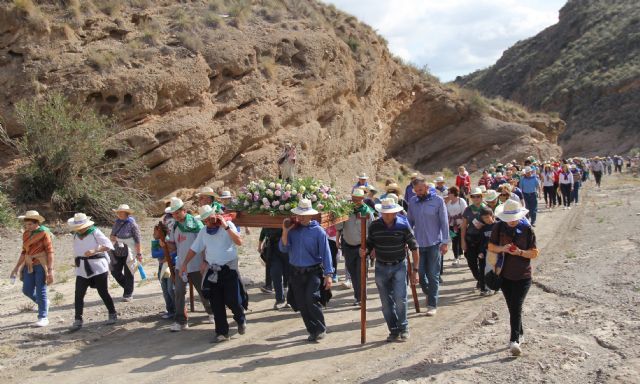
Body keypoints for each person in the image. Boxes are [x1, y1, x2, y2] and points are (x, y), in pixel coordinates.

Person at [181, 205, 246, 343]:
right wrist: (184, 264)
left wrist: (226, 227)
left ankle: (240, 319)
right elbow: (194, 249)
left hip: (229, 269)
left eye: (209, 219)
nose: (208, 222)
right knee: (216, 303)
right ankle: (222, 333)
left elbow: (239, 241)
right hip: (213, 271)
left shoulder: (228, 225)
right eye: (205, 220)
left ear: (215, 215)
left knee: (233, 300)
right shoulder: (204, 232)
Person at [363, 198, 419, 342]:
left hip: (399, 265)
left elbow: (414, 247)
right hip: (381, 266)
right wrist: (364, 251)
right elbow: (369, 244)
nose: (387, 216)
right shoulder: (375, 226)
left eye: (390, 213)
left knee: (400, 299)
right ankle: (393, 330)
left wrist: (415, 270)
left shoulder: (403, 225)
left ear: (395, 213)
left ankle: (404, 328)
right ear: (381, 213)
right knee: (386, 303)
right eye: (384, 213)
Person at [488, 200, 539, 356]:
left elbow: (535, 252)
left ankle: (514, 340)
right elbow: (490, 247)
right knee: (513, 307)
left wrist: (520, 253)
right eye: (508, 218)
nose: (511, 221)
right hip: (504, 274)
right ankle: (520, 333)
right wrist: (502, 248)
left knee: (516, 305)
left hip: (523, 275)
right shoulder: (498, 227)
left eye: (514, 218)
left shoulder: (527, 229)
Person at [280, 199, 333, 342]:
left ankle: (320, 328)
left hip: (313, 272)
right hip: (296, 272)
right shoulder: (292, 230)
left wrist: (329, 275)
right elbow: (283, 248)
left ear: (310, 215)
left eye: (304, 214)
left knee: (311, 300)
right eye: (300, 214)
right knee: (302, 303)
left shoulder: (318, 231)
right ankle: (312, 330)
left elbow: (326, 253)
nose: (301, 217)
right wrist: (285, 231)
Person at [165, 197, 214, 332]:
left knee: (203, 291)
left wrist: (205, 261)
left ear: (184, 211)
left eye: (177, 212)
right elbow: (174, 246)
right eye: (173, 213)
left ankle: (212, 312)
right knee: (179, 292)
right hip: (181, 265)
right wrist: (164, 241)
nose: (175, 215)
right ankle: (181, 321)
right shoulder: (175, 226)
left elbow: (204, 244)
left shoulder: (197, 224)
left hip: (197, 264)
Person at [67, 213, 117, 331]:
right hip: (82, 267)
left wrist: (95, 250)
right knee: (78, 293)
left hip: (98, 266)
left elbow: (108, 245)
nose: (80, 229)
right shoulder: (75, 235)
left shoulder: (95, 232)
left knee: (102, 291)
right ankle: (78, 319)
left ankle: (112, 313)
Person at [407, 177, 449, 316]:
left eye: (420, 189)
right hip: (418, 245)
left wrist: (445, 241)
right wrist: (407, 239)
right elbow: (409, 222)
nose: (418, 192)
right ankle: (430, 292)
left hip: (434, 243)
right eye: (416, 190)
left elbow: (444, 222)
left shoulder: (438, 201)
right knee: (420, 274)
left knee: (433, 275)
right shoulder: (412, 202)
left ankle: (432, 304)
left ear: (426, 187)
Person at [10, 211, 54, 327]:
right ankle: (44, 303)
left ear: (36, 223)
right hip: (29, 264)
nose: (27, 227)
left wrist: (50, 270)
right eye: (26, 225)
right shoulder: (25, 234)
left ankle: (43, 316)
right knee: (27, 290)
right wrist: (16, 267)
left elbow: (50, 252)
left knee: (41, 289)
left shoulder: (44, 233)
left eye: (30, 224)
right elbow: (24, 252)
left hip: (41, 264)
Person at [336, 188, 374, 306]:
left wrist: (371, 248)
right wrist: (338, 213)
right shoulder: (346, 211)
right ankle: (358, 296)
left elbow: (372, 232)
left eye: (357, 199)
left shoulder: (368, 212)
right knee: (353, 273)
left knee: (361, 273)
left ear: (362, 199)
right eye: (353, 199)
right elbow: (339, 227)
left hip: (362, 247)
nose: (355, 201)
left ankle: (361, 298)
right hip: (348, 246)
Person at [109, 204, 142, 302]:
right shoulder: (117, 223)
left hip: (129, 251)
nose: (118, 214)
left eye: (120, 212)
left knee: (129, 273)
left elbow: (137, 239)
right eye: (118, 212)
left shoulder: (132, 224)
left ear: (126, 213)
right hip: (117, 250)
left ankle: (128, 293)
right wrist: (115, 238)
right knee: (115, 271)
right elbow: (112, 235)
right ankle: (128, 287)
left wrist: (139, 253)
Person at [461, 188, 488, 294]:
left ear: (481, 197)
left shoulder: (486, 208)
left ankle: (483, 285)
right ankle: (480, 280)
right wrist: (462, 241)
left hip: (483, 240)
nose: (475, 198)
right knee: (471, 263)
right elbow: (463, 226)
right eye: (473, 196)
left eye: (478, 196)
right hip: (470, 238)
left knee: (482, 263)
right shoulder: (467, 210)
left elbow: (491, 223)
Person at [259, 227, 290, 309]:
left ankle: (290, 300)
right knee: (276, 275)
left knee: (290, 276)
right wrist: (261, 243)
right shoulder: (269, 220)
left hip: (288, 249)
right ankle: (280, 300)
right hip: (273, 250)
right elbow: (264, 230)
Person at [152, 221, 175, 320]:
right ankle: (170, 310)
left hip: (170, 267)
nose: (153, 234)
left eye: (155, 232)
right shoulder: (156, 242)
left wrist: (168, 255)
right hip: (162, 267)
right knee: (165, 290)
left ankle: (177, 310)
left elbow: (175, 251)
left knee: (170, 289)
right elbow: (154, 254)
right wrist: (163, 249)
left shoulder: (169, 241)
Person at [477, 206, 496, 296]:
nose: (486, 220)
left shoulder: (498, 226)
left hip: (498, 251)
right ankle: (487, 288)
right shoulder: (483, 228)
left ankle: (496, 286)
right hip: (487, 252)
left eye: (488, 217)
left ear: (492, 216)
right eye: (484, 218)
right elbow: (482, 241)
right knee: (486, 270)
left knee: (497, 270)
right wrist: (481, 251)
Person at [446, 186, 467, 266]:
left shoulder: (461, 201)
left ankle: (465, 255)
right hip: (452, 225)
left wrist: (463, 223)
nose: (448, 194)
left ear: (454, 193)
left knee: (463, 240)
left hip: (461, 225)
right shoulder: (448, 203)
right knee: (454, 240)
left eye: (449, 193)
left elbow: (465, 213)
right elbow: (447, 214)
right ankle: (456, 258)